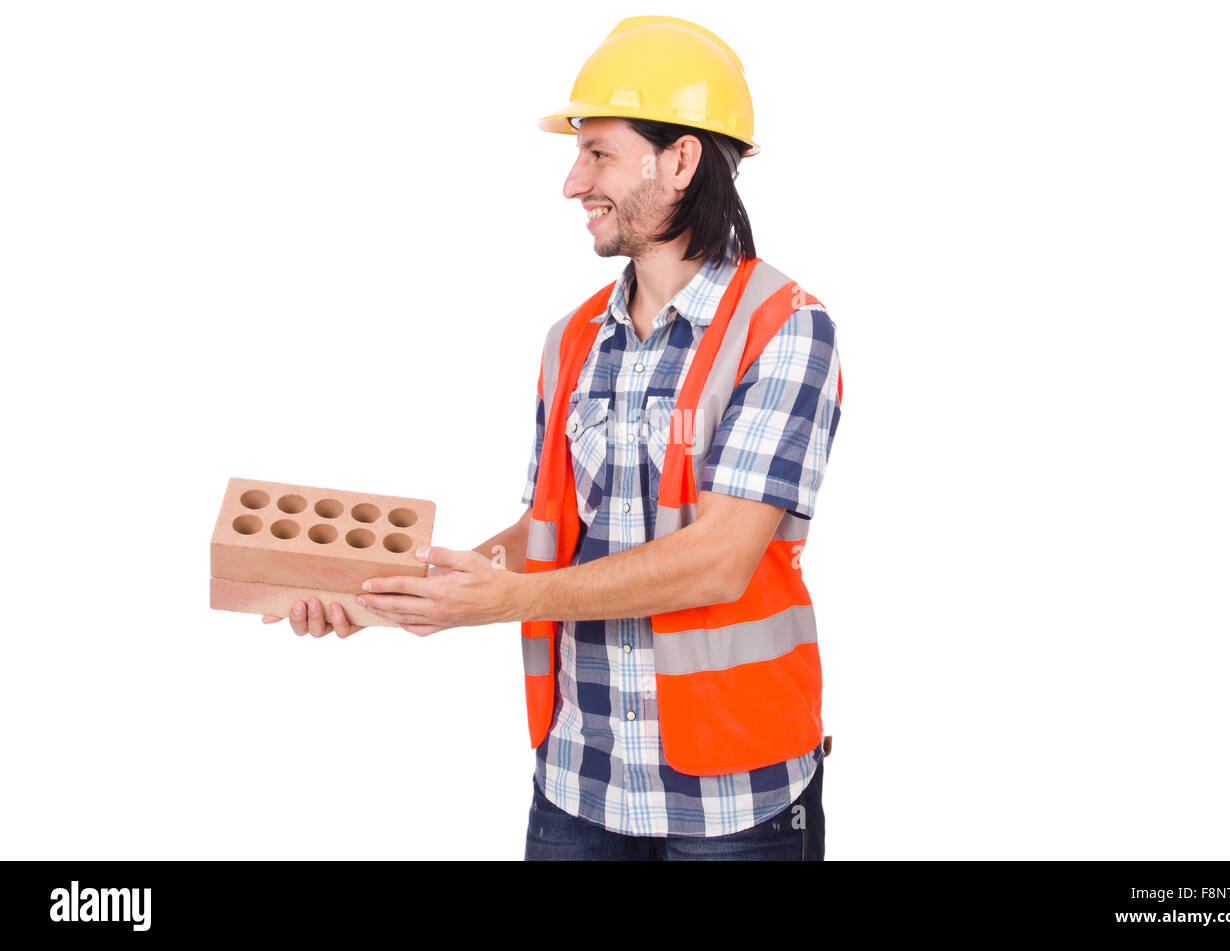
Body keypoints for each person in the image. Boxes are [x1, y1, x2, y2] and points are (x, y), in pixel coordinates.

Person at [263, 15, 842, 861]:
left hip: (735, 795)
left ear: (679, 160)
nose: (573, 183)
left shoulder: (786, 329)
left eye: (599, 152)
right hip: (579, 783)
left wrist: (508, 601)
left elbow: (720, 557)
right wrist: (399, 592)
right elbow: (549, 535)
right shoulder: (571, 341)